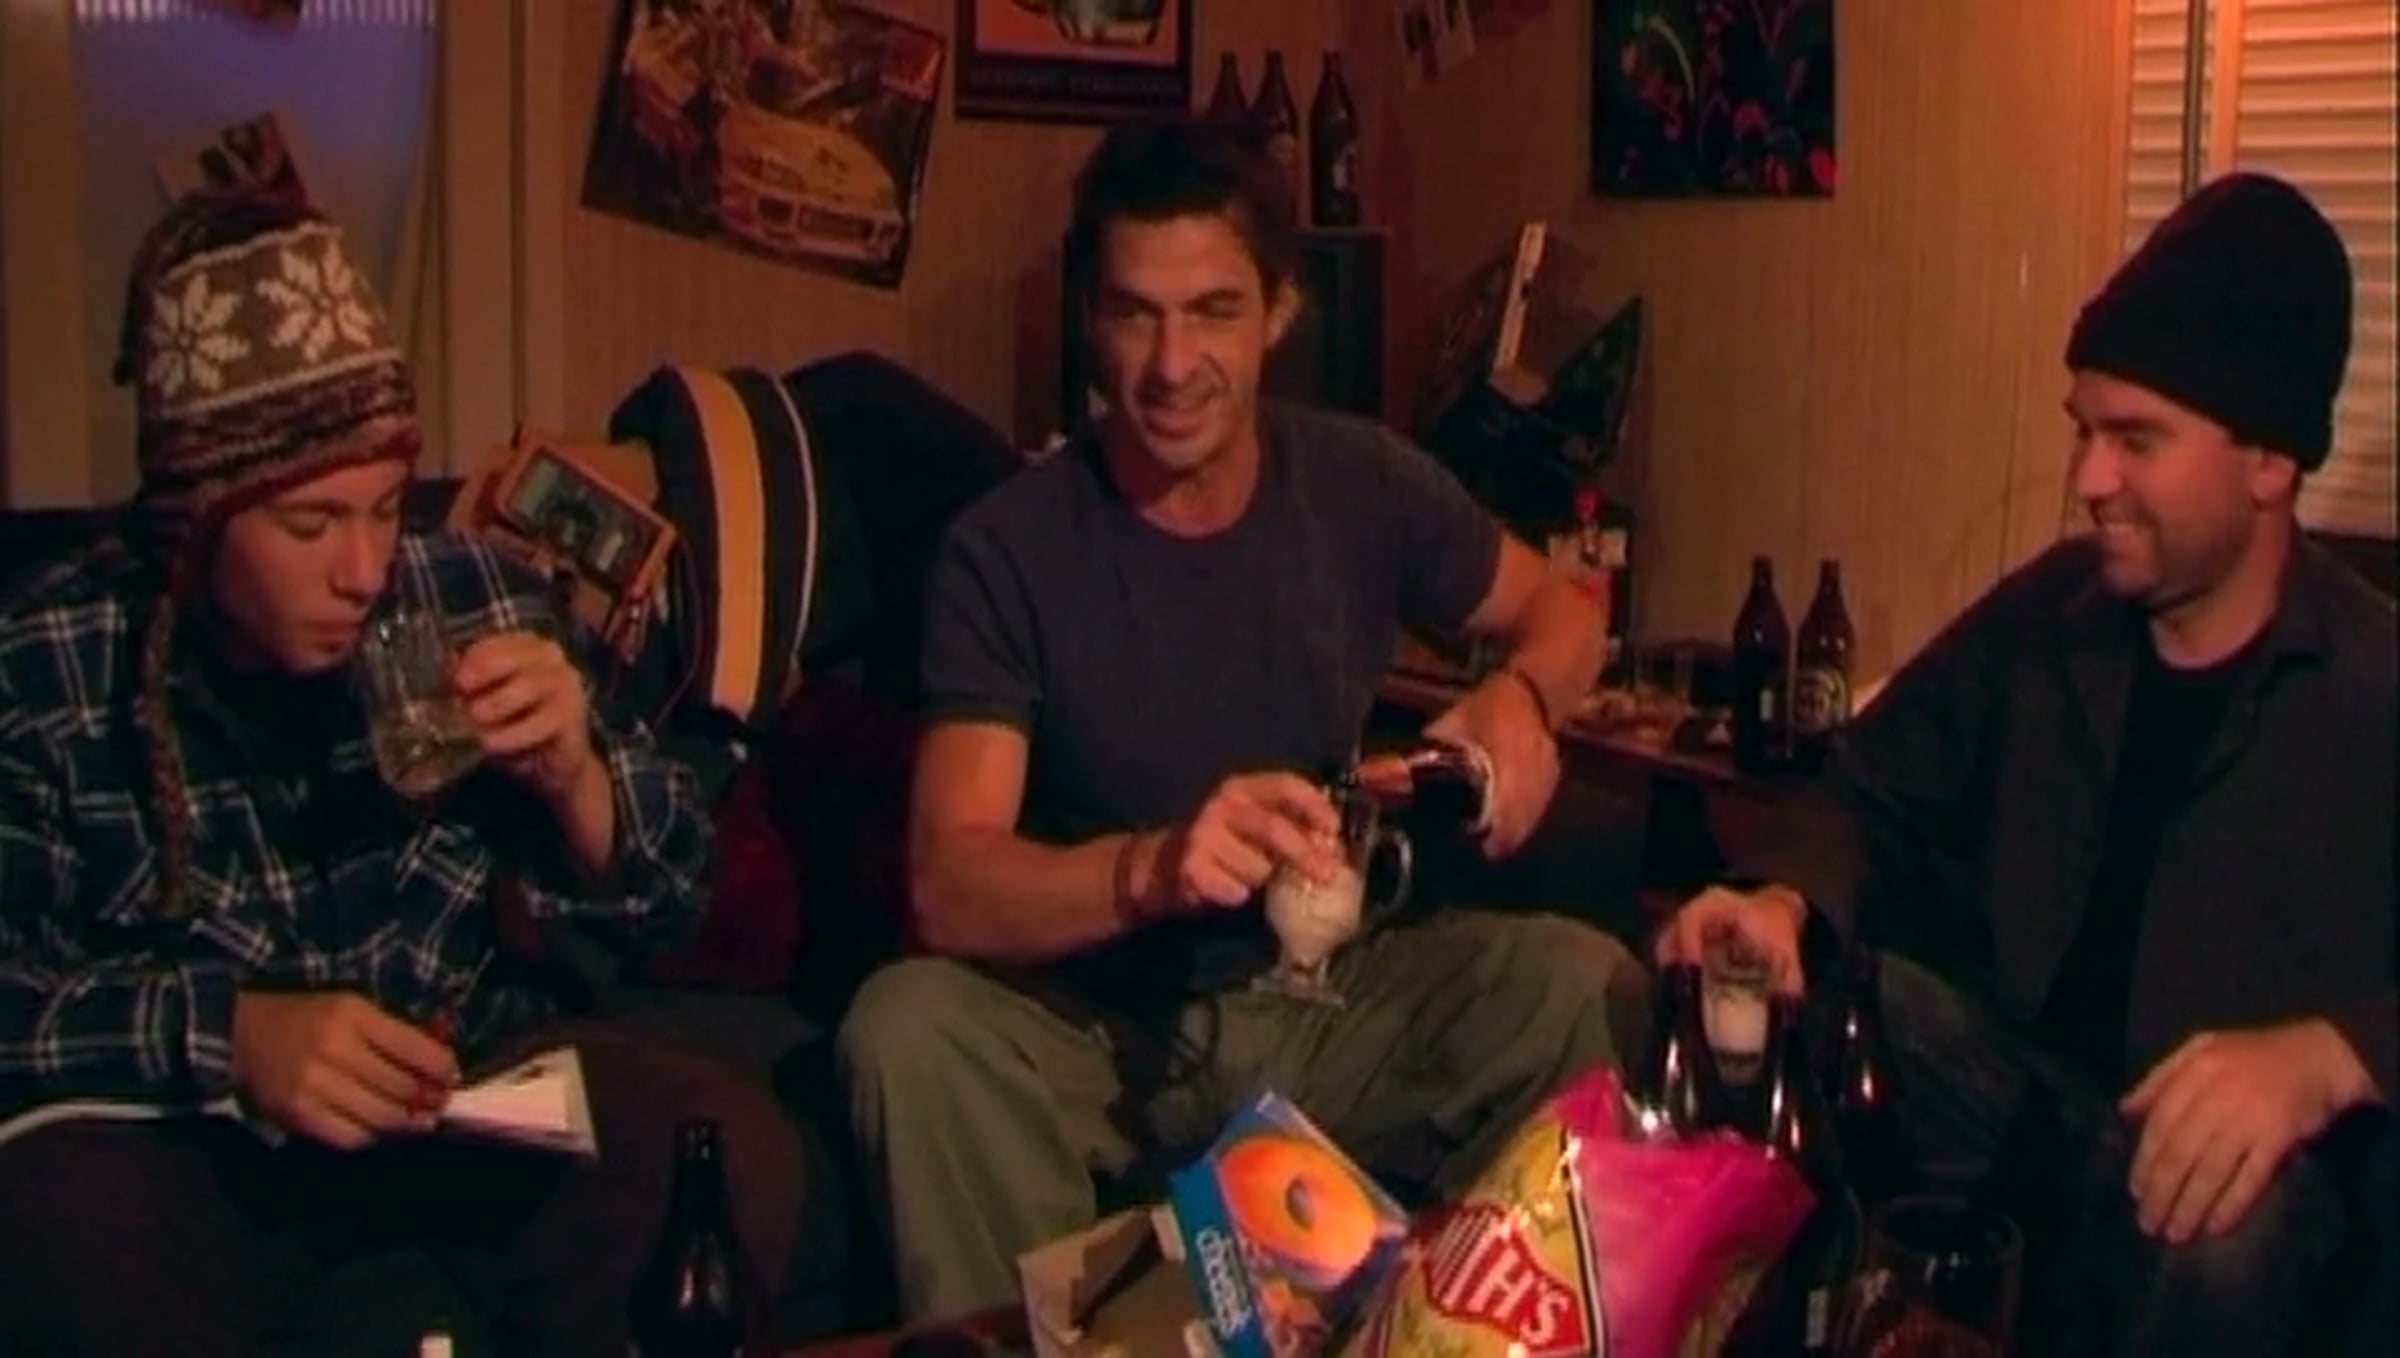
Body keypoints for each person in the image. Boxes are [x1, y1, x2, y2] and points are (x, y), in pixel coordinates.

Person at [838, 119, 1645, 1321]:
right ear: (1089, 318)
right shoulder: (1006, 550)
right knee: (905, 1030)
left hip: (1324, 986)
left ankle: (1441, 1335)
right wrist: (1154, 868)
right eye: (1135, 314)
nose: (1173, 365)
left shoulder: (1361, 480)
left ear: (1278, 310)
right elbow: (949, 885)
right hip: (1097, 1023)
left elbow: (1565, 614)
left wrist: (1523, 699)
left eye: (1213, 311)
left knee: (1586, 984)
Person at [0, 194, 803, 1354]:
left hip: (463, 1100)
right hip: (202, 1142)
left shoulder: (471, 592)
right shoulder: (52, 659)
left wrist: (577, 777)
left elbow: (677, 894)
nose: (364, 567)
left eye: (385, 508)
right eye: (312, 524)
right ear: (194, 522)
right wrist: (232, 1035)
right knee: (58, 1224)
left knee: (724, 1147)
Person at [1661, 171, 2396, 1354]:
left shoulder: (2372, 685)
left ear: (2270, 461)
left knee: (2233, 1225)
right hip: (2019, 1105)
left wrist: (2330, 1054)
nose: (2089, 478)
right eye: (2084, 431)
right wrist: (1781, 901)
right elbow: (1868, 787)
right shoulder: (2055, 614)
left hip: (2223, 1190)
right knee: (1744, 992)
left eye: (2136, 439)